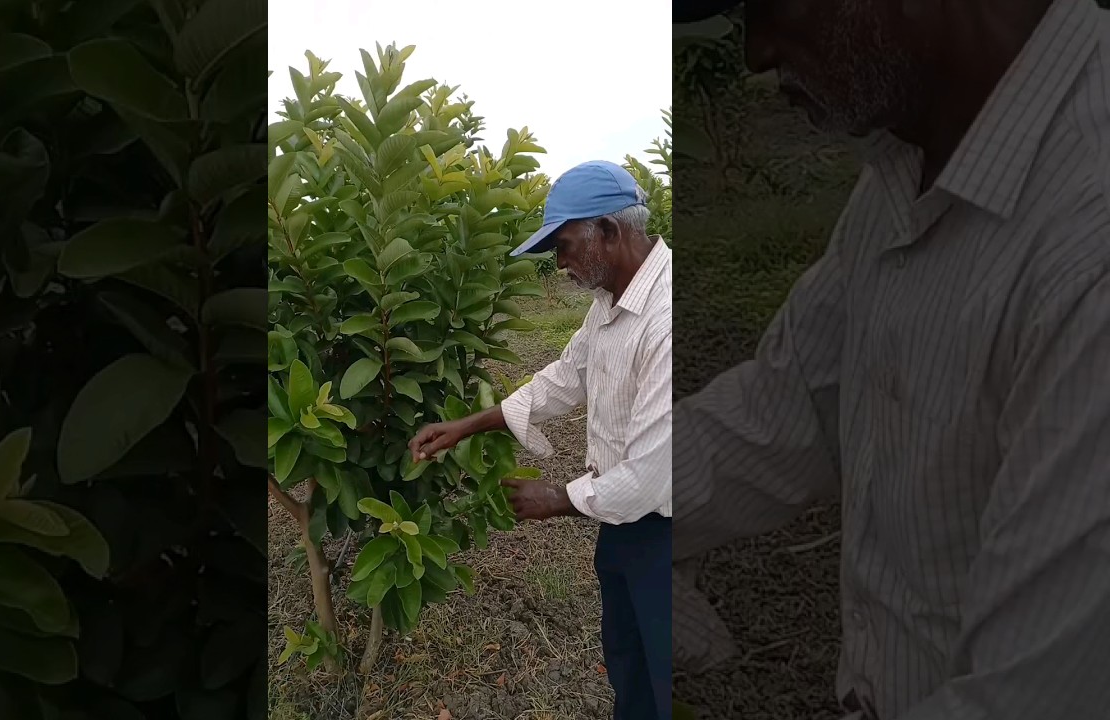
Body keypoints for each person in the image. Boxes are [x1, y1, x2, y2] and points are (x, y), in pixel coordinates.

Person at [672, 0, 1110, 719]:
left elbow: (1031, 696)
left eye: (770, 6)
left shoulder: (1087, 248)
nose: (754, 53)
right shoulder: (915, 157)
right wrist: (601, 504)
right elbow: (789, 405)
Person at [408, 160, 673, 720]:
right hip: (621, 523)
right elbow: (565, 376)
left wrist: (558, 498)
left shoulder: (666, 317)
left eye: (566, 245)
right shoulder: (610, 303)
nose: (560, 263)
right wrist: (467, 425)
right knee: (631, 668)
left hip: (668, 534)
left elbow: (653, 474)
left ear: (608, 231)